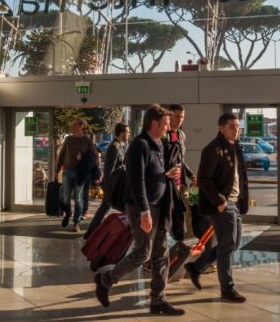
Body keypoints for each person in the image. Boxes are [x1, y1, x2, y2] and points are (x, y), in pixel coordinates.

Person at [94, 105, 185, 316]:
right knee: (143, 253)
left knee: (161, 254)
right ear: (154, 123)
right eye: (165, 124)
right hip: (142, 208)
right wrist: (144, 211)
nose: (167, 127)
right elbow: (137, 181)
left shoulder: (158, 144)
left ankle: (158, 300)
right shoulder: (139, 145)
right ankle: (106, 280)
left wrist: (168, 174)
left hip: (160, 206)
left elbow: (156, 174)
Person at [184, 113, 249, 304]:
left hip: (234, 203)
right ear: (220, 127)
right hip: (221, 205)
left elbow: (239, 177)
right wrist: (220, 201)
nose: (235, 130)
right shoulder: (213, 149)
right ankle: (227, 289)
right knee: (227, 246)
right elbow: (203, 179)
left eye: (237, 126)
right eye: (231, 126)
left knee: (233, 244)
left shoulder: (235, 147)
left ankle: (196, 268)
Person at [83, 122, 129, 239]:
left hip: (116, 184)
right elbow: (109, 170)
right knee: (106, 209)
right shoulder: (114, 147)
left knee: (104, 209)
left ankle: (90, 233)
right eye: (127, 132)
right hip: (112, 185)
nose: (128, 134)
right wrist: (109, 188)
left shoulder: (121, 145)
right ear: (121, 133)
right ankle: (91, 233)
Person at [55, 119, 97, 233]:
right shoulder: (68, 139)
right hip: (67, 172)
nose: (72, 127)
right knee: (65, 197)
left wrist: (83, 158)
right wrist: (57, 170)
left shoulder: (87, 141)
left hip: (80, 174)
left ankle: (76, 223)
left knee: (78, 199)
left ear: (81, 126)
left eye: (75, 125)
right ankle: (68, 213)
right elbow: (62, 155)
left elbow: (94, 158)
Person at [163, 104, 198, 239]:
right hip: (167, 184)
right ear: (170, 116)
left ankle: (189, 242)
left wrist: (191, 175)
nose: (180, 119)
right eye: (177, 116)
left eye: (182, 117)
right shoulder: (163, 135)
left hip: (181, 183)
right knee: (169, 215)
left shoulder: (181, 135)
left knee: (188, 213)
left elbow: (181, 160)